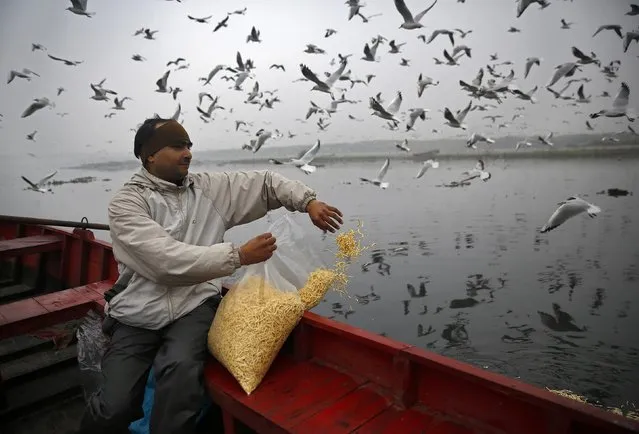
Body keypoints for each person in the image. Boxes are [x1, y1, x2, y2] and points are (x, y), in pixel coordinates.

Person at [78, 117, 343, 434]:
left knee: (180, 372)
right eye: (177, 146)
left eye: (189, 145)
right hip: (137, 311)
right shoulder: (127, 203)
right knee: (113, 407)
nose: (187, 152)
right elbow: (164, 262)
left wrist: (308, 202)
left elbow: (266, 184)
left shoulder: (208, 189)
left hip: (193, 306)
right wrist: (239, 256)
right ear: (149, 155)